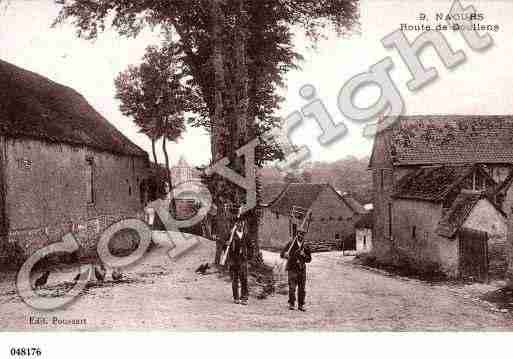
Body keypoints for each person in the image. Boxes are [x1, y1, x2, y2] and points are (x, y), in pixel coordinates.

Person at [224, 208, 252, 305]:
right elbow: (225, 246)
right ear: (236, 225)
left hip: (243, 260)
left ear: (243, 225)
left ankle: (244, 297)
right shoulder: (231, 235)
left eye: (241, 223)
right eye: (238, 223)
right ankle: (236, 297)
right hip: (233, 260)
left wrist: (249, 257)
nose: (240, 225)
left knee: (244, 278)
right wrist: (226, 244)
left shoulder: (246, 235)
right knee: (235, 279)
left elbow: (250, 247)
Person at [280, 231, 312, 311]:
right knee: (292, 287)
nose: (301, 236)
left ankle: (301, 305)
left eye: (303, 235)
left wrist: (303, 254)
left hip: (301, 269)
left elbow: (309, 259)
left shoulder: (305, 246)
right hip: (292, 268)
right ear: (297, 235)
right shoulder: (291, 244)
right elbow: (282, 254)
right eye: (299, 234)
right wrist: (285, 254)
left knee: (302, 288)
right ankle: (291, 304)